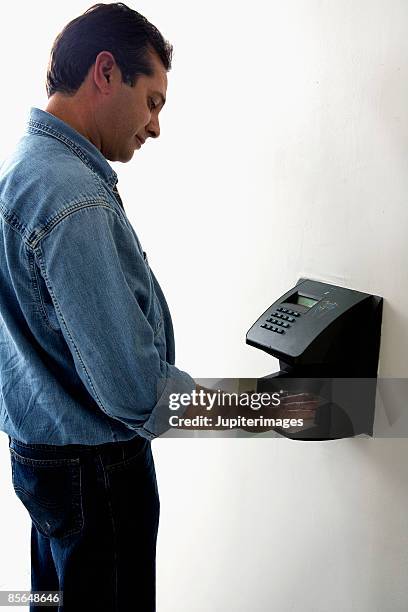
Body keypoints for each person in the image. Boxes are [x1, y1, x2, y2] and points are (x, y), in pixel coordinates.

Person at [0, 3, 318, 610]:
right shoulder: (72, 200)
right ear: (105, 73)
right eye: (153, 101)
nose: (155, 126)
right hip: (97, 478)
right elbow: (134, 390)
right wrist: (256, 407)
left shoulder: (22, 172)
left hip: (45, 466)